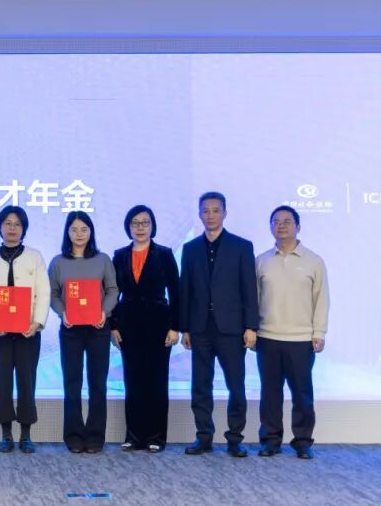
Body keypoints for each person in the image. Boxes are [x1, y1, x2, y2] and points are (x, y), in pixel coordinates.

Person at [179, 191, 258, 458]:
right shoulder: (190, 249)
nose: (210, 215)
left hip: (232, 329)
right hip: (200, 328)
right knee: (201, 386)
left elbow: (249, 289)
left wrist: (251, 326)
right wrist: (185, 328)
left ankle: (235, 439)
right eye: (206, 210)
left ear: (225, 213)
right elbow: (186, 290)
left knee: (236, 385)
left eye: (215, 210)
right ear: (199, 214)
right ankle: (204, 437)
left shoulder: (241, 246)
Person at [255, 205, 329, 459]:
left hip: (301, 339)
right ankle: (270, 441)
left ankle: (303, 442)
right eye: (276, 221)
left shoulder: (314, 261)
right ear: (270, 227)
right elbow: (254, 299)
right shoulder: (262, 261)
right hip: (267, 337)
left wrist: (319, 332)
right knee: (270, 393)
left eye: (287, 221)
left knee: (302, 394)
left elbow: (321, 299)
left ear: (298, 226)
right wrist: (252, 330)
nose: (281, 225)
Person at [0, 205, 49, 454]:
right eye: (7, 223)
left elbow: (43, 293)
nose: (12, 228)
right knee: (2, 381)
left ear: (24, 228)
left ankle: (26, 435)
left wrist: (37, 322)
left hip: (28, 332)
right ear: (0, 227)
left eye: (17, 224)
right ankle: (6, 435)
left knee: (27, 382)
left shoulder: (35, 256)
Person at [108, 205, 180, 452]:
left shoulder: (164, 254)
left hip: (159, 326)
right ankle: (135, 436)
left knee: (156, 382)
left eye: (145, 222)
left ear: (152, 226)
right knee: (133, 382)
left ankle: (156, 437)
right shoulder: (119, 255)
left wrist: (175, 327)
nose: (140, 228)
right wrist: (113, 326)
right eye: (135, 223)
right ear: (128, 227)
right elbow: (112, 293)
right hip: (128, 326)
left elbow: (176, 292)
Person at [49, 210, 118, 454]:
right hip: (71, 330)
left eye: (84, 229)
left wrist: (104, 312)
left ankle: (96, 435)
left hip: (98, 329)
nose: (79, 234)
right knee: (72, 383)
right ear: (67, 232)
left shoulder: (102, 259)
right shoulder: (58, 262)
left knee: (98, 384)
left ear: (91, 232)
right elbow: (52, 294)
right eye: (74, 229)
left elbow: (112, 289)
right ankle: (74, 435)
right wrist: (62, 313)